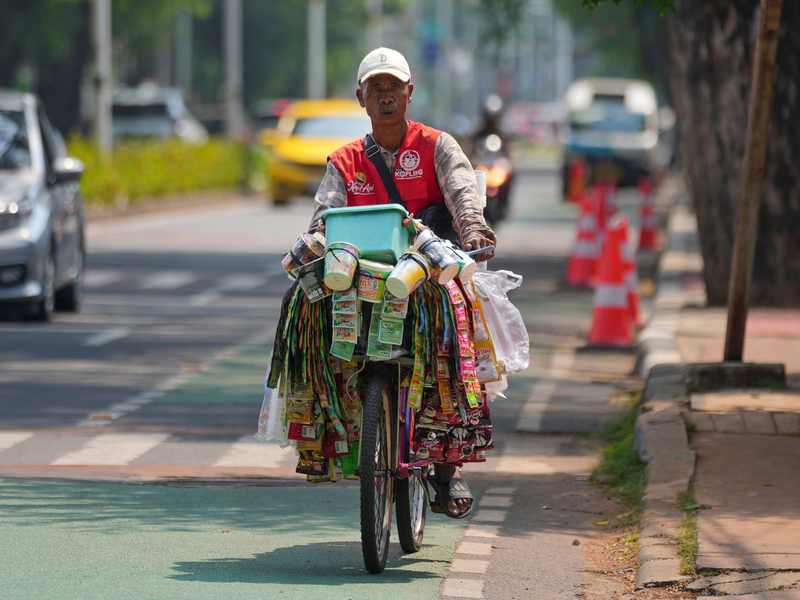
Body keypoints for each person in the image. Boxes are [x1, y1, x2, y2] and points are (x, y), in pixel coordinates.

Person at [308, 47, 497, 518]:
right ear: (361, 98)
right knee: (310, 319)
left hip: (427, 278)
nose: (386, 96)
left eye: (394, 87)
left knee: (452, 342)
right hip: (362, 283)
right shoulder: (345, 160)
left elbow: (462, 194)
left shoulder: (438, 145)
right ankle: (337, 432)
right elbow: (322, 217)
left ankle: (448, 469)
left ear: (410, 93)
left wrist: (473, 231)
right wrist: (312, 244)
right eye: (377, 88)